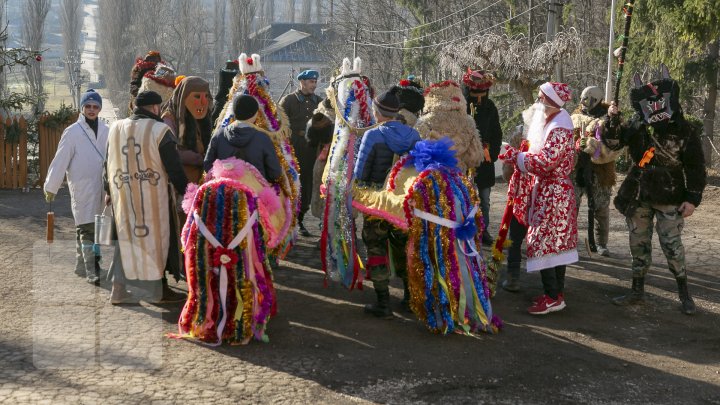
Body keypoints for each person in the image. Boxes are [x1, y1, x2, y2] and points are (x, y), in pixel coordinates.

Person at [604, 65, 706, 315]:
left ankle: (684, 294)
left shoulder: (683, 129)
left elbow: (695, 166)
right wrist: (612, 120)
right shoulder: (637, 124)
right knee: (638, 244)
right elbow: (614, 142)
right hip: (639, 194)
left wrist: (693, 199)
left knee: (672, 246)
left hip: (671, 195)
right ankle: (636, 291)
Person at [500, 82, 578, 315]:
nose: (538, 101)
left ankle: (553, 297)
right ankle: (555, 293)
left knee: (544, 241)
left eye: (541, 97)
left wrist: (513, 155)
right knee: (555, 243)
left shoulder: (559, 128)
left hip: (553, 194)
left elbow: (545, 162)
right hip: (549, 192)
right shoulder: (554, 122)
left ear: (550, 102)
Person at [105, 90, 188, 304]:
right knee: (158, 241)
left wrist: (107, 190)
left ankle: (118, 288)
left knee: (125, 238)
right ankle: (158, 290)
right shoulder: (160, 130)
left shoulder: (115, 128)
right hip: (154, 198)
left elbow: (107, 163)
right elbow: (174, 167)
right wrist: (189, 192)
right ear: (154, 108)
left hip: (122, 196)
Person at [353, 91, 422, 318]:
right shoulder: (414, 135)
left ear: (377, 112)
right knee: (404, 247)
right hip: (402, 204)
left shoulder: (372, 136)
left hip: (376, 202)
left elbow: (360, 172)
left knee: (376, 247)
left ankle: (383, 303)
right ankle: (409, 298)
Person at [44, 89, 109, 284]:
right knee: (87, 226)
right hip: (82, 185)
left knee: (95, 227)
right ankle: (92, 269)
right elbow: (60, 159)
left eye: (95, 106)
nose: (91, 109)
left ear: (99, 108)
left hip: (102, 185)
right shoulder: (72, 132)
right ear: (82, 108)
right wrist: (51, 186)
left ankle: (81, 264)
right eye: (87, 106)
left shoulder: (107, 130)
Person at [571, 86, 613, 256]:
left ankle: (601, 242)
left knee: (601, 208)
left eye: (589, 99)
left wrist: (595, 146)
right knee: (571, 206)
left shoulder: (609, 118)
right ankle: (570, 240)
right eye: (583, 99)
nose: (585, 103)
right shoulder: (574, 116)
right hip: (577, 168)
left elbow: (613, 145)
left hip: (600, 168)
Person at [279, 69, 322, 236]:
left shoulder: (318, 101)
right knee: (290, 183)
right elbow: (279, 124)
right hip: (292, 148)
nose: (314, 84)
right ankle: (288, 221)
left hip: (311, 149)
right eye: (311, 81)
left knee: (308, 184)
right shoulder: (288, 100)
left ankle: (300, 218)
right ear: (302, 82)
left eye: (315, 81)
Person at [463, 69, 502, 246]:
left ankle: (483, 229)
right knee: (465, 196)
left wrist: (491, 154)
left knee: (484, 199)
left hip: (485, 160)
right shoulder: (462, 106)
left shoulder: (491, 107)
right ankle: (465, 228)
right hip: (465, 159)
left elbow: (497, 133)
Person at [204, 94, 283, 183]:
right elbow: (275, 172)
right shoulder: (263, 138)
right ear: (254, 113)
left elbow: (208, 165)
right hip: (256, 192)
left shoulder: (219, 135)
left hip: (225, 192)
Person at [161, 76, 213, 184]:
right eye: (197, 96)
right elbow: (171, 151)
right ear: (183, 97)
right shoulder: (169, 118)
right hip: (181, 183)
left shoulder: (199, 117)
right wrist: (201, 158)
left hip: (201, 181)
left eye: (206, 96)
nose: (203, 102)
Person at [305, 96, 335, 220]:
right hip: (327, 157)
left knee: (323, 188)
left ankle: (324, 223)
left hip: (327, 158)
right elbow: (311, 139)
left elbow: (310, 140)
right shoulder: (346, 112)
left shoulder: (320, 111)